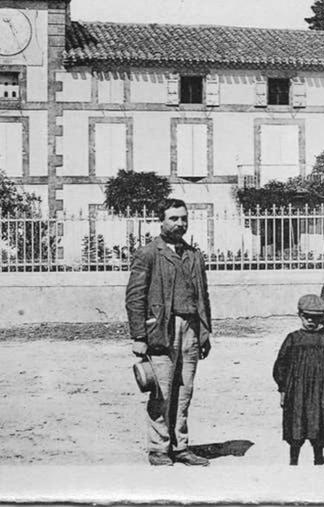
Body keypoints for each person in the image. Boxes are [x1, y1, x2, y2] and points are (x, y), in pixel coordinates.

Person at [125, 198, 212, 466]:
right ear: (161, 221)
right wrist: (139, 337)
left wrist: (205, 333)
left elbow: (203, 296)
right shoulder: (149, 253)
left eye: (183, 218)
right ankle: (159, 449)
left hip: (191, 330)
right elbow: (134, 297)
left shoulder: (193, 254)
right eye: (174, 218)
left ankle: (181, 446)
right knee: (161, 392)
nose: (180, 223)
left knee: (185, 392)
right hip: (163, 329)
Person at [272, 295, 324, 465]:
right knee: (296, 427)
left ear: (322, 318)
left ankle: (318, 461)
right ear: (299, 315)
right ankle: (293, 463)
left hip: (319, 391)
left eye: (315, 318)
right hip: (297, 390)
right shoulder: (293, 338)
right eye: (307, 316)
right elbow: (281, 365)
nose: (310, 321)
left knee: (318, 426)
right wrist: (283, 390)